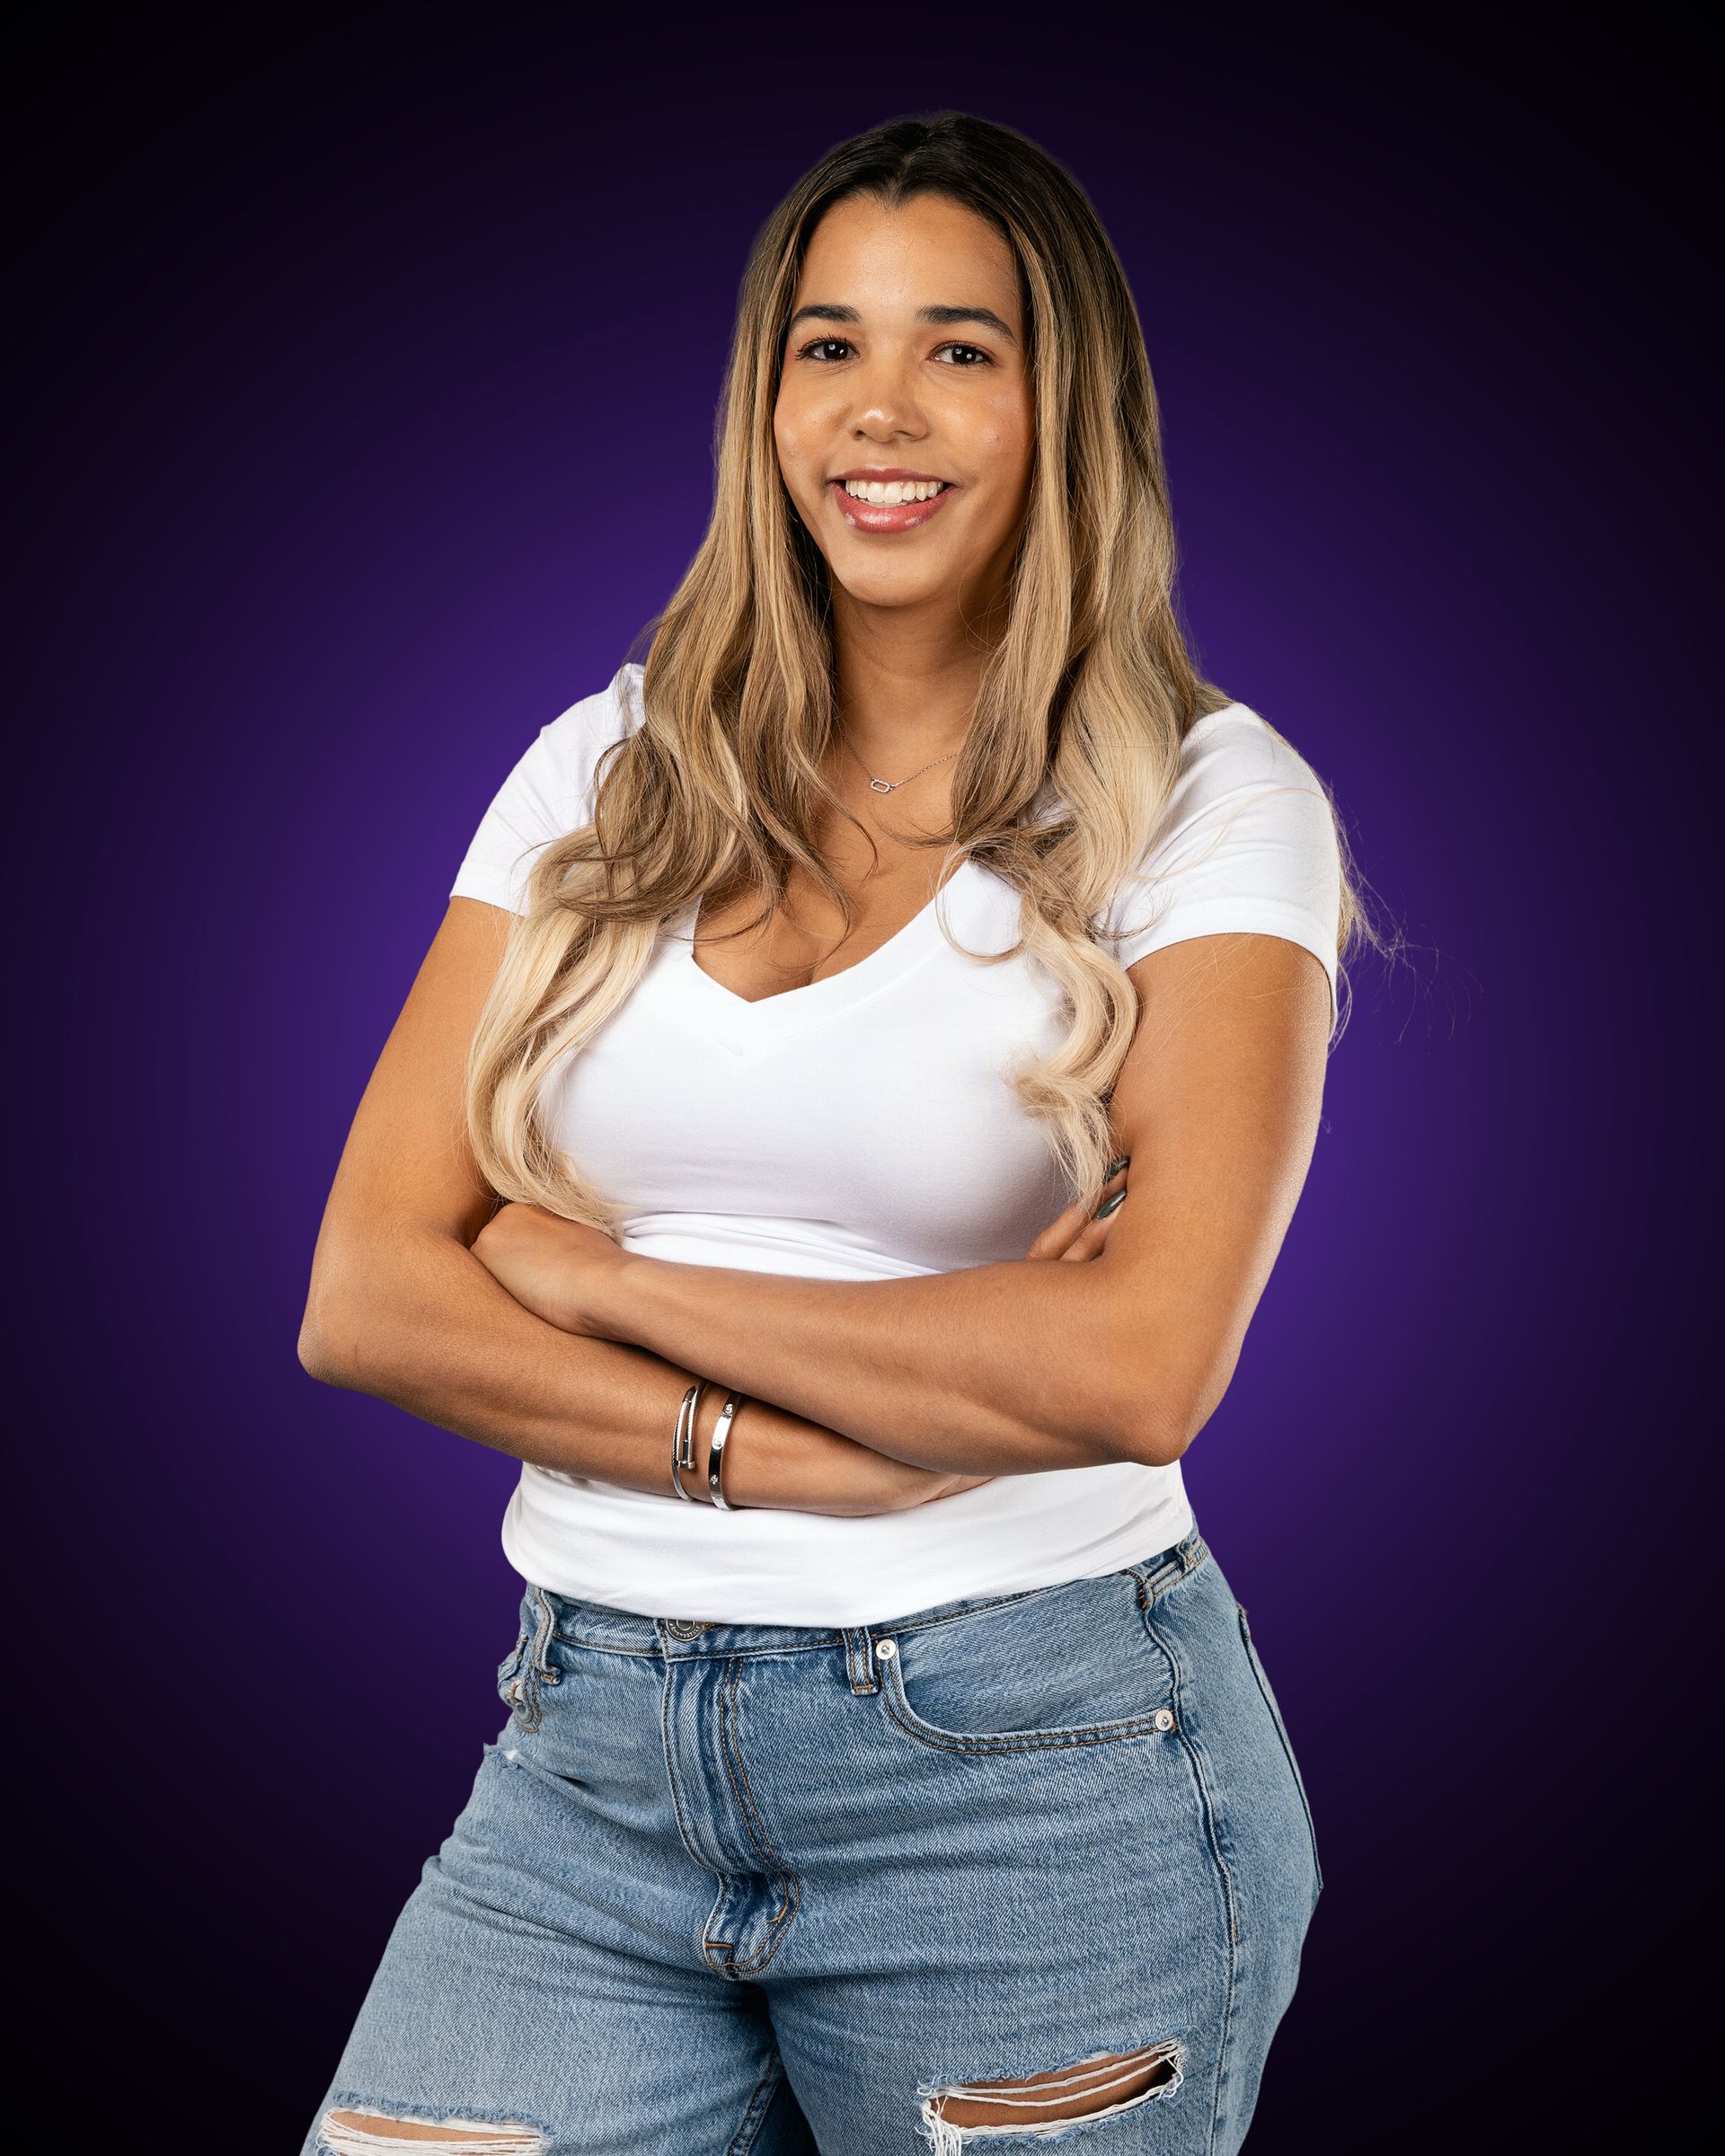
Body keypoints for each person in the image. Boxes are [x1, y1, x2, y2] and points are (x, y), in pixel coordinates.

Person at [296, 109, 1371, 2156]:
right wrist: (780, 1452)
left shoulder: (1215, 808)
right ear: (762, 398)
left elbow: (1140, 1368)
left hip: (1038, 1772)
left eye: (961, 348)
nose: (882, 411)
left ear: (1069, 405)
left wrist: (586, 1277)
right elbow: (364, 1293)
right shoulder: (597, 769)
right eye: (827, 346)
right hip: (590, 1762)